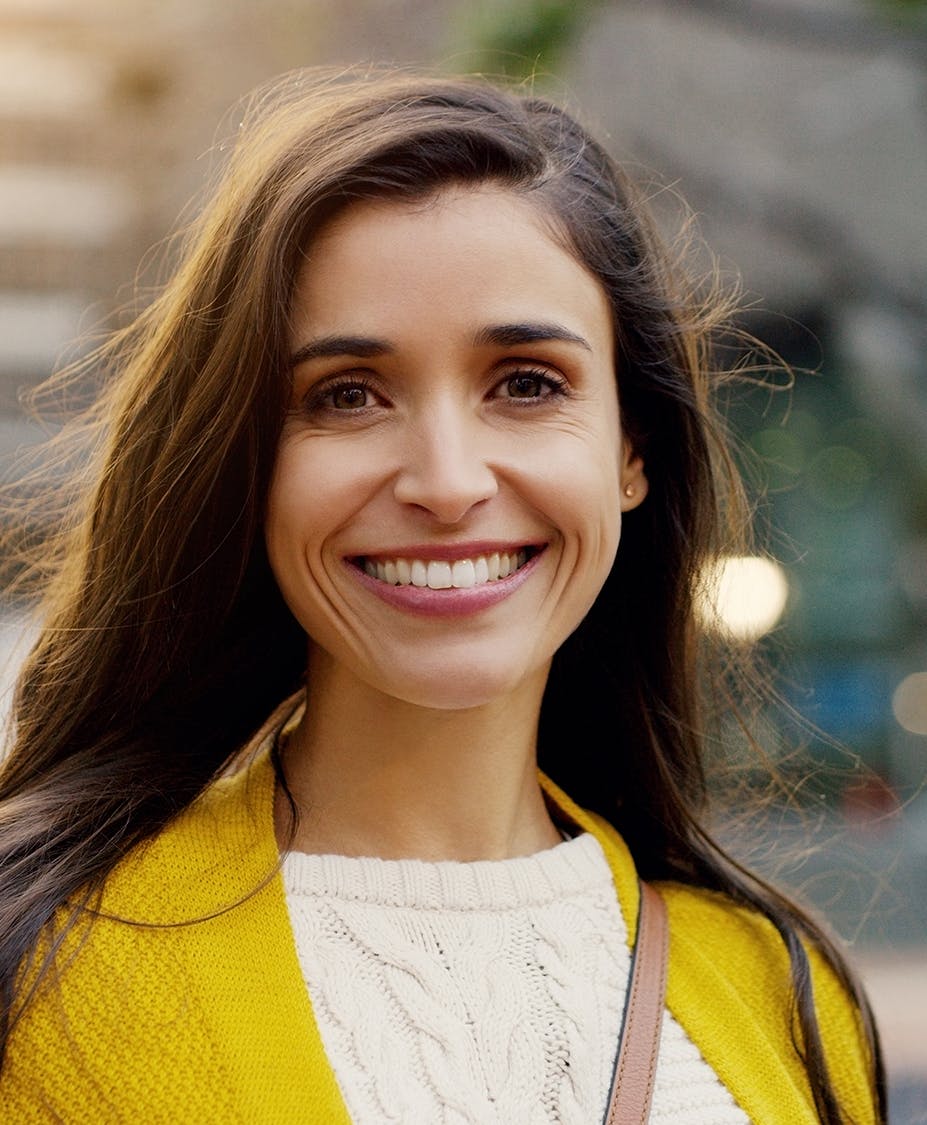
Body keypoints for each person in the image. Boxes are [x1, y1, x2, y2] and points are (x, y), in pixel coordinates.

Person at [0, 66, 883, 1124]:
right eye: (348, 396)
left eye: (526, 383)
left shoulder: (785, 996)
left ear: (630, 448)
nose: (449, 481)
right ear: (251, 463)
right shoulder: (49, 971)